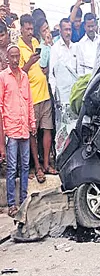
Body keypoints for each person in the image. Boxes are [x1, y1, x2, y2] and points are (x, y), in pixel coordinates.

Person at [0, 44, 36, 217]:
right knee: (12, 167)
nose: (14, 60)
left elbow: (29, 103)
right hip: (11, 129)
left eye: (17, 57)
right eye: (11, 57)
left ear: (19, 58)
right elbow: (0, 107)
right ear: (7, 58)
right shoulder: (3, 77)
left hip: (24, 128)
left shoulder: (24, 77)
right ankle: (12, 204)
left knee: (25, 167)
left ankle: (23, 200)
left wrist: (32, 122)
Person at [18, 14, 54, 182]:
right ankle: (37, 166)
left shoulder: (35, 43)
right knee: (33, 132)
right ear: (21, 29)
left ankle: (46, 164)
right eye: (27, 29)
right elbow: (18, 74)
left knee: (47, 129)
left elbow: (43, 64)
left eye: (32, 29)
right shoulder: (17, 47)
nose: (30, 32)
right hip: (31, 97)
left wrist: (43, 68)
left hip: (45, 93)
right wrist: (29, 63)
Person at [49, 19, 78, 113]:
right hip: (62, 97)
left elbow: (79, 71)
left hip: (75, 93)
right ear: (60, 31)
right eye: (65, 30)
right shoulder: (55, 49)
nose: (68, 32)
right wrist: (55, 95)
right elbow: (52, 75)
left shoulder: (76, 48)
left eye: (70, 29)